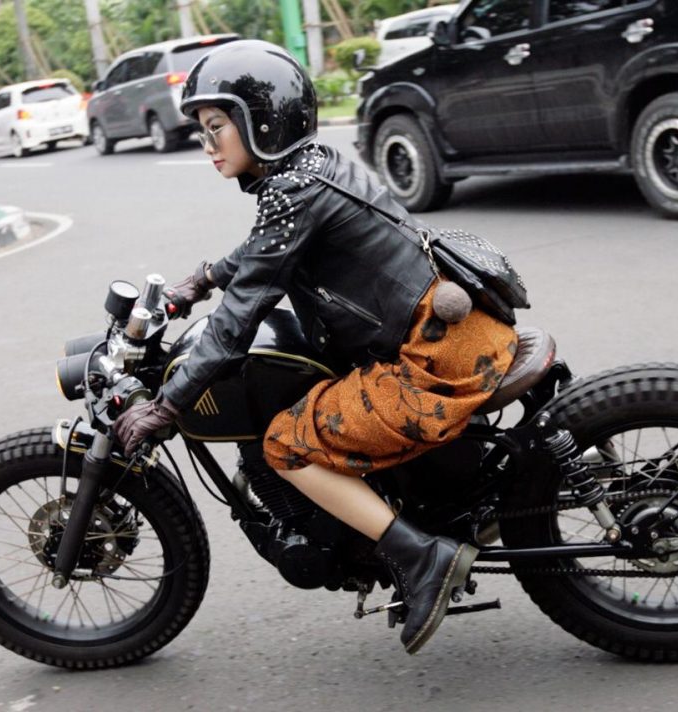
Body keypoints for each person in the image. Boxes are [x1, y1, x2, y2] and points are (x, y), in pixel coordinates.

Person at [113, 40, 517, 655]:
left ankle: (422, 558)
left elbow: (239, 317)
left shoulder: (293, 191)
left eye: (217, 126)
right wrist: (201, 279)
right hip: (453, 332)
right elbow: (265, 249)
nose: (207, 143)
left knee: (286, 444)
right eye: (202, 129)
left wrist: (169, 404)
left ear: (261, 121)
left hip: (431, 362)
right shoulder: (312, 167)